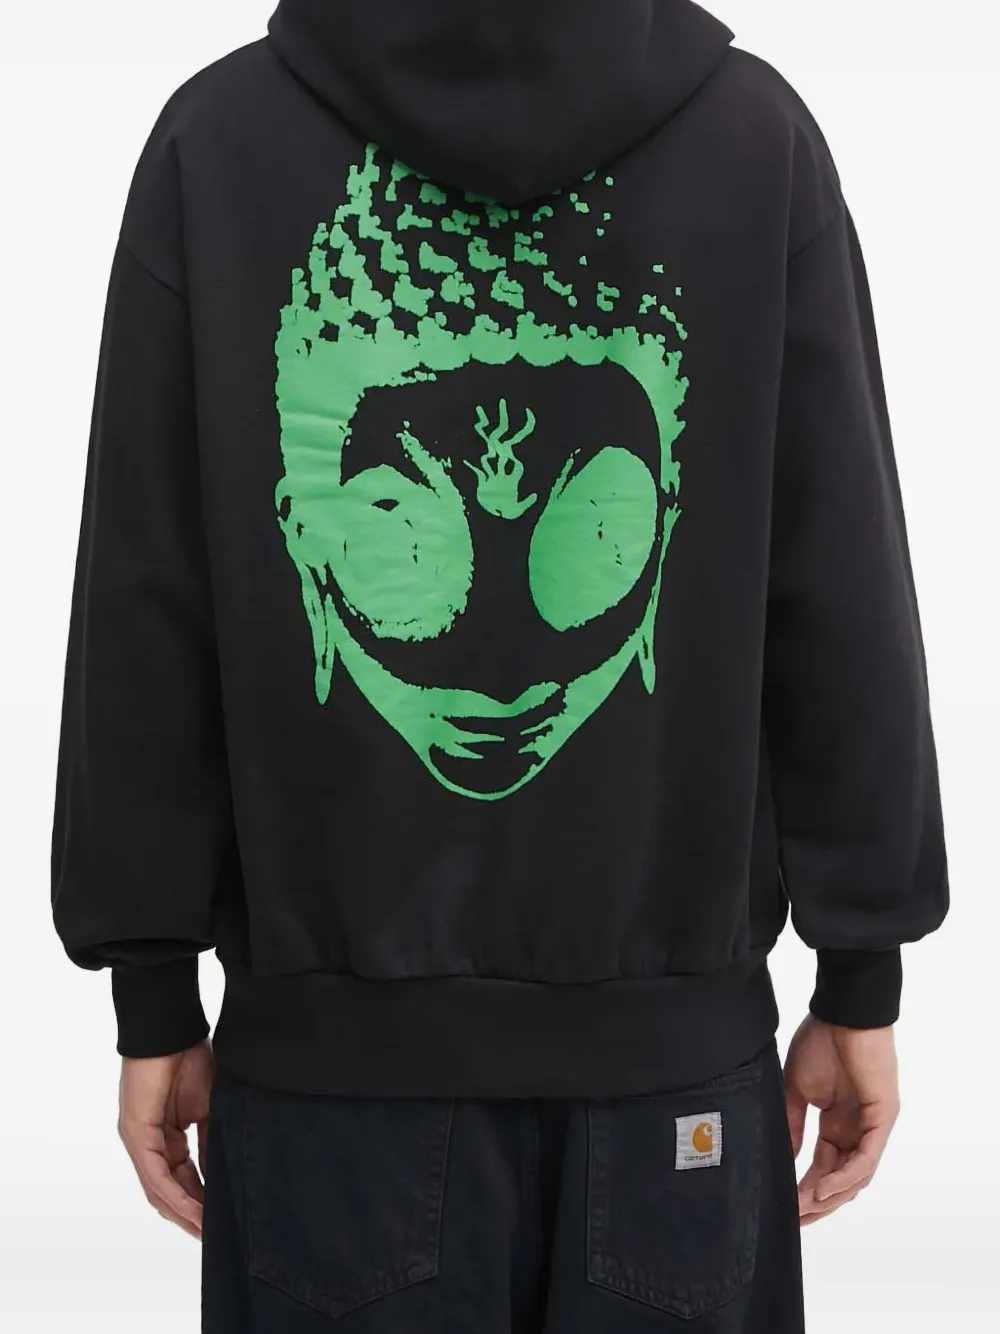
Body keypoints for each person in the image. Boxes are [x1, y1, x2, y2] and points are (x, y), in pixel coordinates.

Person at [52, 1, 949, 1329]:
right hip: (673, 1091)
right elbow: (839, 581)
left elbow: (146, 598)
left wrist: (154, 994)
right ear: (307, 536)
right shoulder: (753, 143)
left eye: (593, 537)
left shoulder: (221, 143)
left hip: (331, 1097)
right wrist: (860, 969)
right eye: (401, 544)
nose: (501, 666)